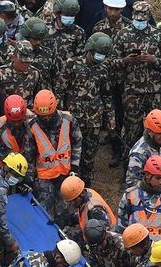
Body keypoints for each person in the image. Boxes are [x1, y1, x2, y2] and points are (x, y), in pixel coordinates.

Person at [58, 32, 114, 185]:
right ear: (89, 49)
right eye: (98, 54)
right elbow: (60, 89)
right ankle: (68, 184)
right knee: (69, 152)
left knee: (89, 155)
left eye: (103, 55)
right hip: (72, 119)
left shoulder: (103, 69)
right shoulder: (72, 64)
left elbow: (107, 95)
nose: (99, 58)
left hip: (94, 120)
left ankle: (86, 185)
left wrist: (111, 117)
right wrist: (60, 114)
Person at [115, 1, 161, 150]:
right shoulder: (123, 34)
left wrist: (153, 60)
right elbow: (112, 63)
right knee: (131, 131)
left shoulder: (158, 35)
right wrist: (126, 60)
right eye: (137, 20)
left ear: (147, 18)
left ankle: (157, 164)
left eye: (142, 20)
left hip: (155, 92)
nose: (140, 22)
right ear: (133, 16)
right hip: (132, 92)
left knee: (157, 130)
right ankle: (130, 165)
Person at [27, 89, 82, 228]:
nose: (45, 119)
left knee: (63, 211)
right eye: (41, 116)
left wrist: (74, 167)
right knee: (43, 211)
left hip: (65, 173)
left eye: (48, 116)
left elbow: (77, 143)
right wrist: (30, 179)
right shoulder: (32, 126)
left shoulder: (68, 121)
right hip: (43, 177)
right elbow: (29, 155)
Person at [94, 0, 131, 168]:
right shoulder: (99, 28)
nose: (113, 13)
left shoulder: (129, 28)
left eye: (116, 9)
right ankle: (112, 138)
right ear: (105, 8)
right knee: (108, 113)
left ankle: (118, 149)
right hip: (105, 78)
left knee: (120, 114)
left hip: (123, 80)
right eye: (110, 9)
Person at [118, 155, 161, 245]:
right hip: (136, 248)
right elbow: (121, 226)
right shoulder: (130, 195)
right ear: (147, 175)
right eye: (158, 178)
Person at [124, 109, 161, 189]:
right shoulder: (139, 154)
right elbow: (132, 183)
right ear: (150, 132)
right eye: (160, 134)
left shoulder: (157, 142)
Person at [0, 40, 42, 105]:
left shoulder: (35, 73)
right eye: (22, 61)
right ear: (13, 57)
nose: (25, 65)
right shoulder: (0, 73)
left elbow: (37, 95)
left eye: (27, 62)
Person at [0, 93, 32, 167]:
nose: (16, 124)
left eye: (19, 120)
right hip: (3, 164)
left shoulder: (32, 120)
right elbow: (4, 156)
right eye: (13, 121)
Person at [21, 18, 59, 92]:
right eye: (35, 39)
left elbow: (55, 78)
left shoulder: (48, 54)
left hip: (44, 98)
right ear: (27, 37)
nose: (38, 42)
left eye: (40, 39)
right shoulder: (18, 53)